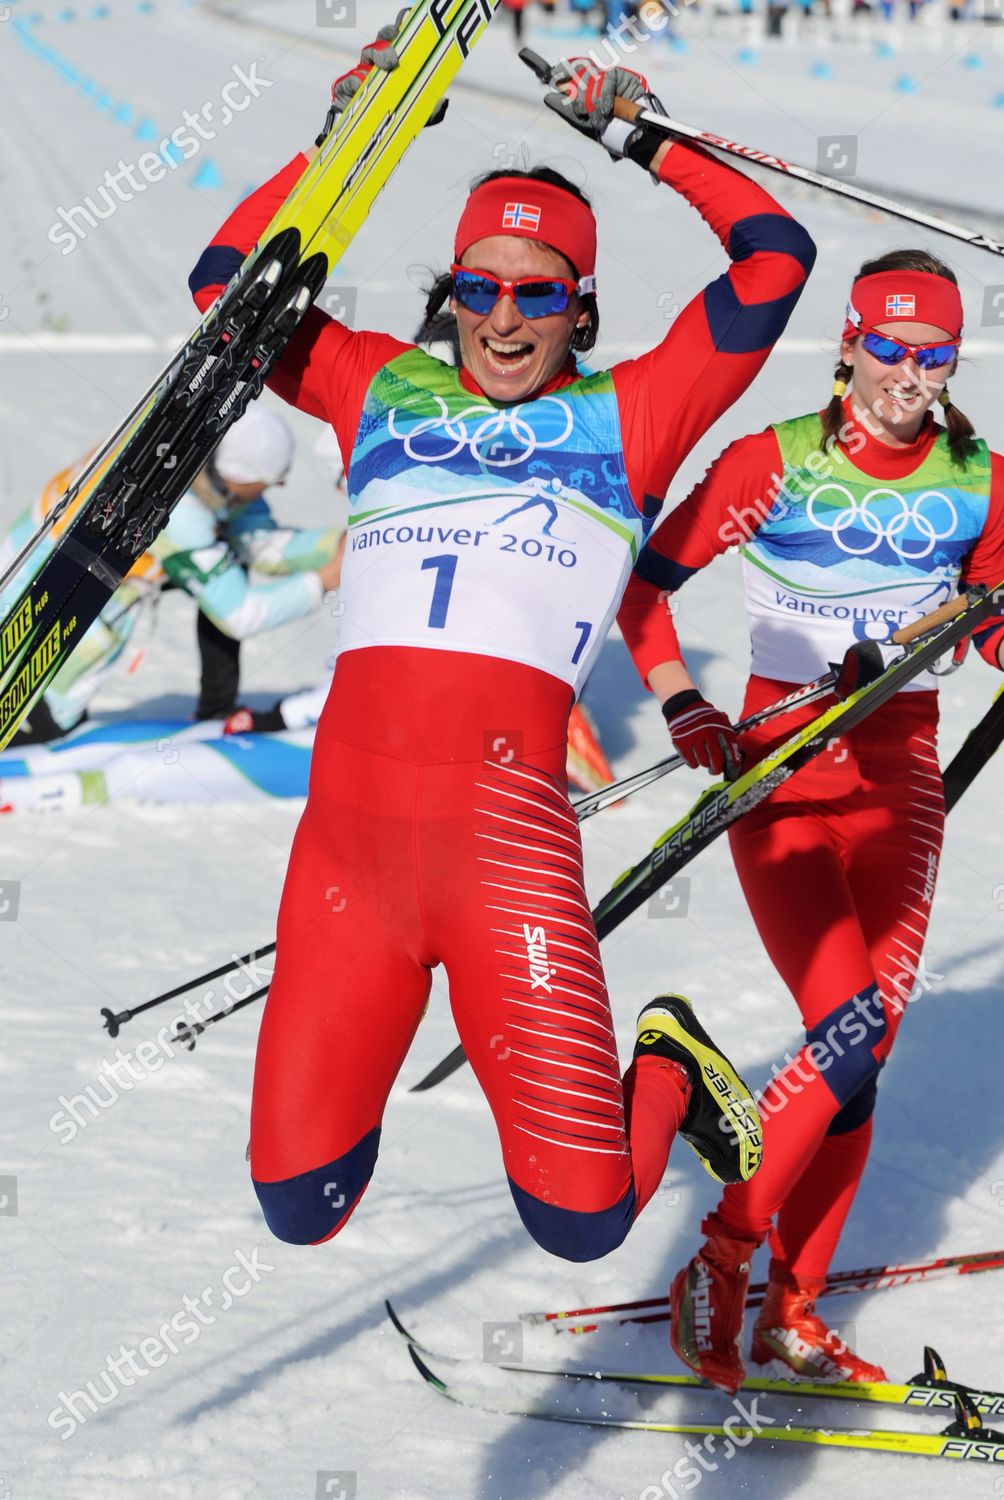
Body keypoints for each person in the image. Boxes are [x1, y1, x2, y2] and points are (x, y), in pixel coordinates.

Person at [189, 22, 815, 1258]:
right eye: (478, 287)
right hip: (347, 860)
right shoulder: (380, 386)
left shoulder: (628, 416)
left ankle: (672, 1067)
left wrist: (643, 136)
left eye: (539, 292)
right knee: (297, 1205)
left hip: (504, 856)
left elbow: (772, 264)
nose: (505, 319)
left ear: (579, 304)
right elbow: (226, 294)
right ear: (449, 293)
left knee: (580, 1223)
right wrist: (349, 142)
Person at [617, 248, 1004, 1382]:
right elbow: (644, 591)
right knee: (843, 1028)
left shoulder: (981, 478)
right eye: (886, 347)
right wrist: (685, 704)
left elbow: (985, 623)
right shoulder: (770, 462)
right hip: (778, 767)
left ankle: (790, 1304)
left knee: (864, 1053)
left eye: (930, 353)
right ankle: (725, 1257)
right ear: (846, 345)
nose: (907, 373)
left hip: (898, 780)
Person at [1, 406, 343, 744]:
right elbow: (240, 614)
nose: (280, 486)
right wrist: (325, 579)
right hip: (40, 626)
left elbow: (259, 544)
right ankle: (41, 723)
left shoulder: (186, 454)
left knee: (224, 562)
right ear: (239, 476)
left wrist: (344, 546)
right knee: (51, 728)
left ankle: (216, 708)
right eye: (270, 481)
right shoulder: (179, 510)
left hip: (35, 570)